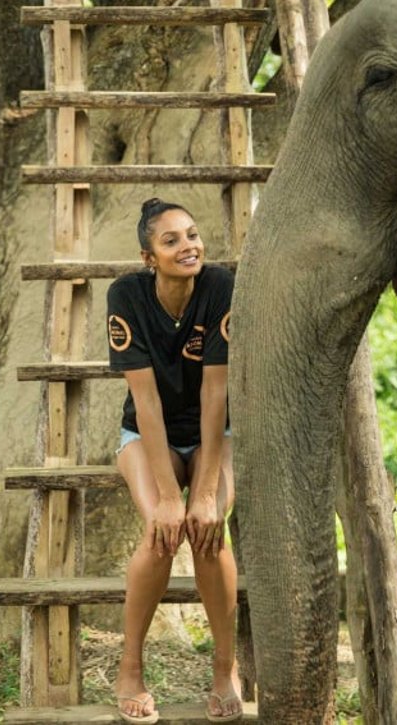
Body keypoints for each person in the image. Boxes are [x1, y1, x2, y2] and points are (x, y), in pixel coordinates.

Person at [107, 198, 242, 724]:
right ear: (149, 257)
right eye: (171, 240)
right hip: (146, 434)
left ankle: (224, 670)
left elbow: (216, 394)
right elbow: (146, 403)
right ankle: (131, 669)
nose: (188, 246)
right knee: (161, 534)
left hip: (214, 431)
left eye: (191, 234)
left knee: (211, 531)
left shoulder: (219, 286)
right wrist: (168, 497)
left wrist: (204, 494)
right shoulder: (126, 296)